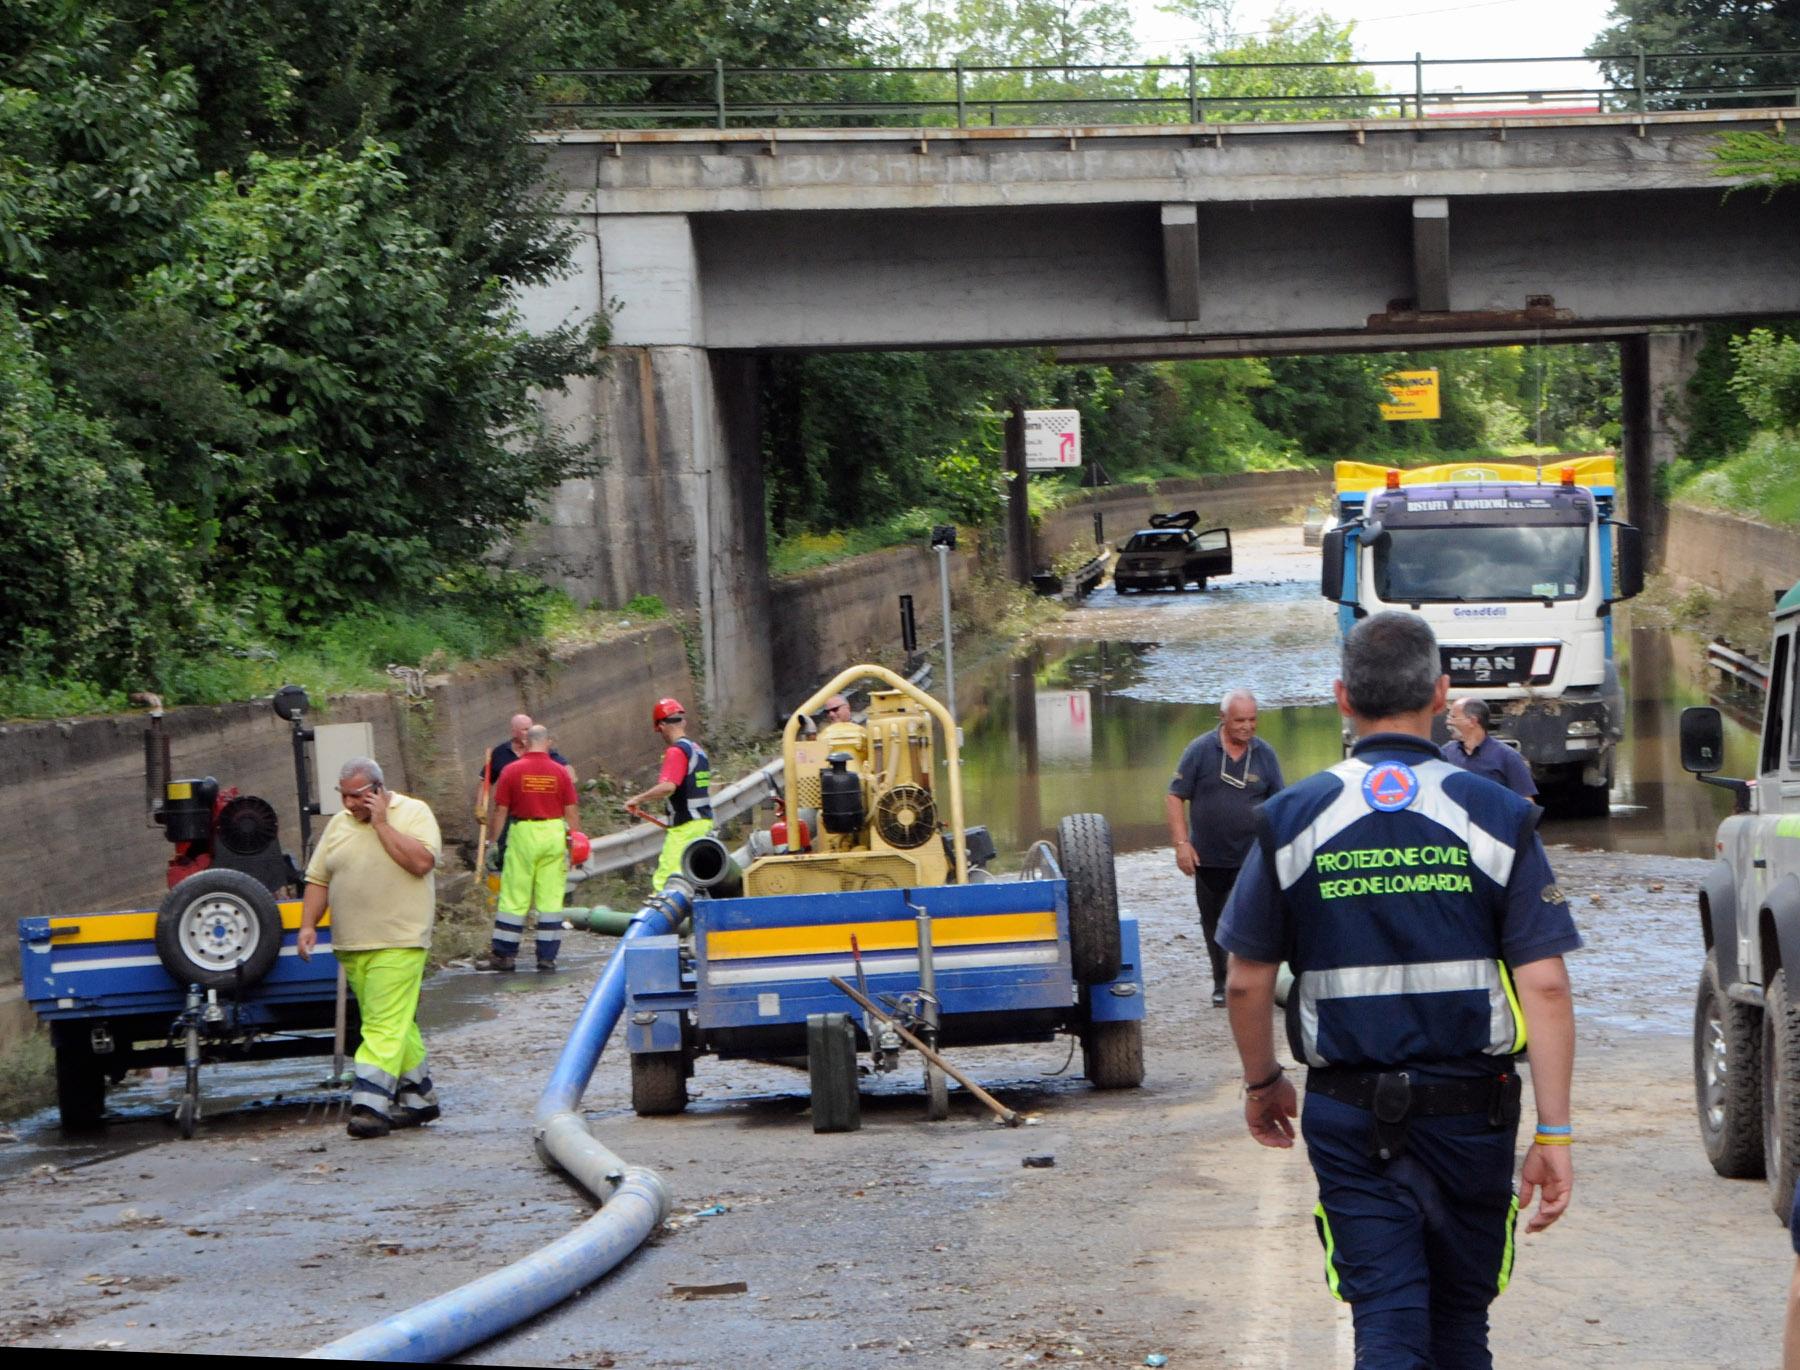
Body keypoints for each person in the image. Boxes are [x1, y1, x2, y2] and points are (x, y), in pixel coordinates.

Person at [1219, 611, 1579, 1369]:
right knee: (1459, 1324)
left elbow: (1246, 981)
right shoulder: (1498, 815)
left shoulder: (1292, 819)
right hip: (1473, 1117)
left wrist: (1262, 1083)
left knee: (1386, 1317)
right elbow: (1544, 985)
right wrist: (1554, 1133)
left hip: (1350, 1115)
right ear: (1441, 692)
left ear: (1342, 697)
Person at [298, 758, 443, 1140]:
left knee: (380, 1024)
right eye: (343, 796)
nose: (348, 804)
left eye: (357, 796)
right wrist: (308, 925)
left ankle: (370, 1105)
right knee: (394, 1023)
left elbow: (421, 862)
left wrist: (381, 824)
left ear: (378, 791)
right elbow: (318, 878)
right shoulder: (338, 825)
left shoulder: (413, 813)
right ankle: (419, 1099)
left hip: (399, 941)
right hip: (352, 945)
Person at [1166, 689, 1284, 1007]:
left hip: (1251, 857)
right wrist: (1181, 844)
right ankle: (1222, 983)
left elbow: (1280, 805)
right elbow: (1175, 795)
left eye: (1252, 720)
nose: (1247, 726)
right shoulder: (1200, 750)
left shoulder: (1264, 755)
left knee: (1253, 921)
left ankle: (1252, 983)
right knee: (1215, 923)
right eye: (1240, 720)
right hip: (1209, 857)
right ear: (1223, 719)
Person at [480, 725, 580, 973]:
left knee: (514, 898)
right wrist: (575, 841)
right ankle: (546, 958)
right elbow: (571, 811)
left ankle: (504, 956)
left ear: (525, 743)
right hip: (554, 833)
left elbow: (501, 810)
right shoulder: (560, 772)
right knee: (550, 899)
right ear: (547, 743)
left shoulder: (512, 771)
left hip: (523, 833)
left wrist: (493, 844)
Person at [626, 697, 713, 893]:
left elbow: (668, 787)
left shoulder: (676, 751)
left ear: (662, 726)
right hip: (702, 823)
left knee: (666, 881)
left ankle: (660, 922)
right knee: (692, 879)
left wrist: (637, 799)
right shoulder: (697, 750)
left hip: (685, 827)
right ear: (683, 721)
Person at [1442, 696, 1539, 802]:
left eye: (1453, 717)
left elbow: (1526, 803)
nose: (1448, 722)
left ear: (1472, 721)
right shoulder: (1446, 753)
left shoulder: (1507, 757)